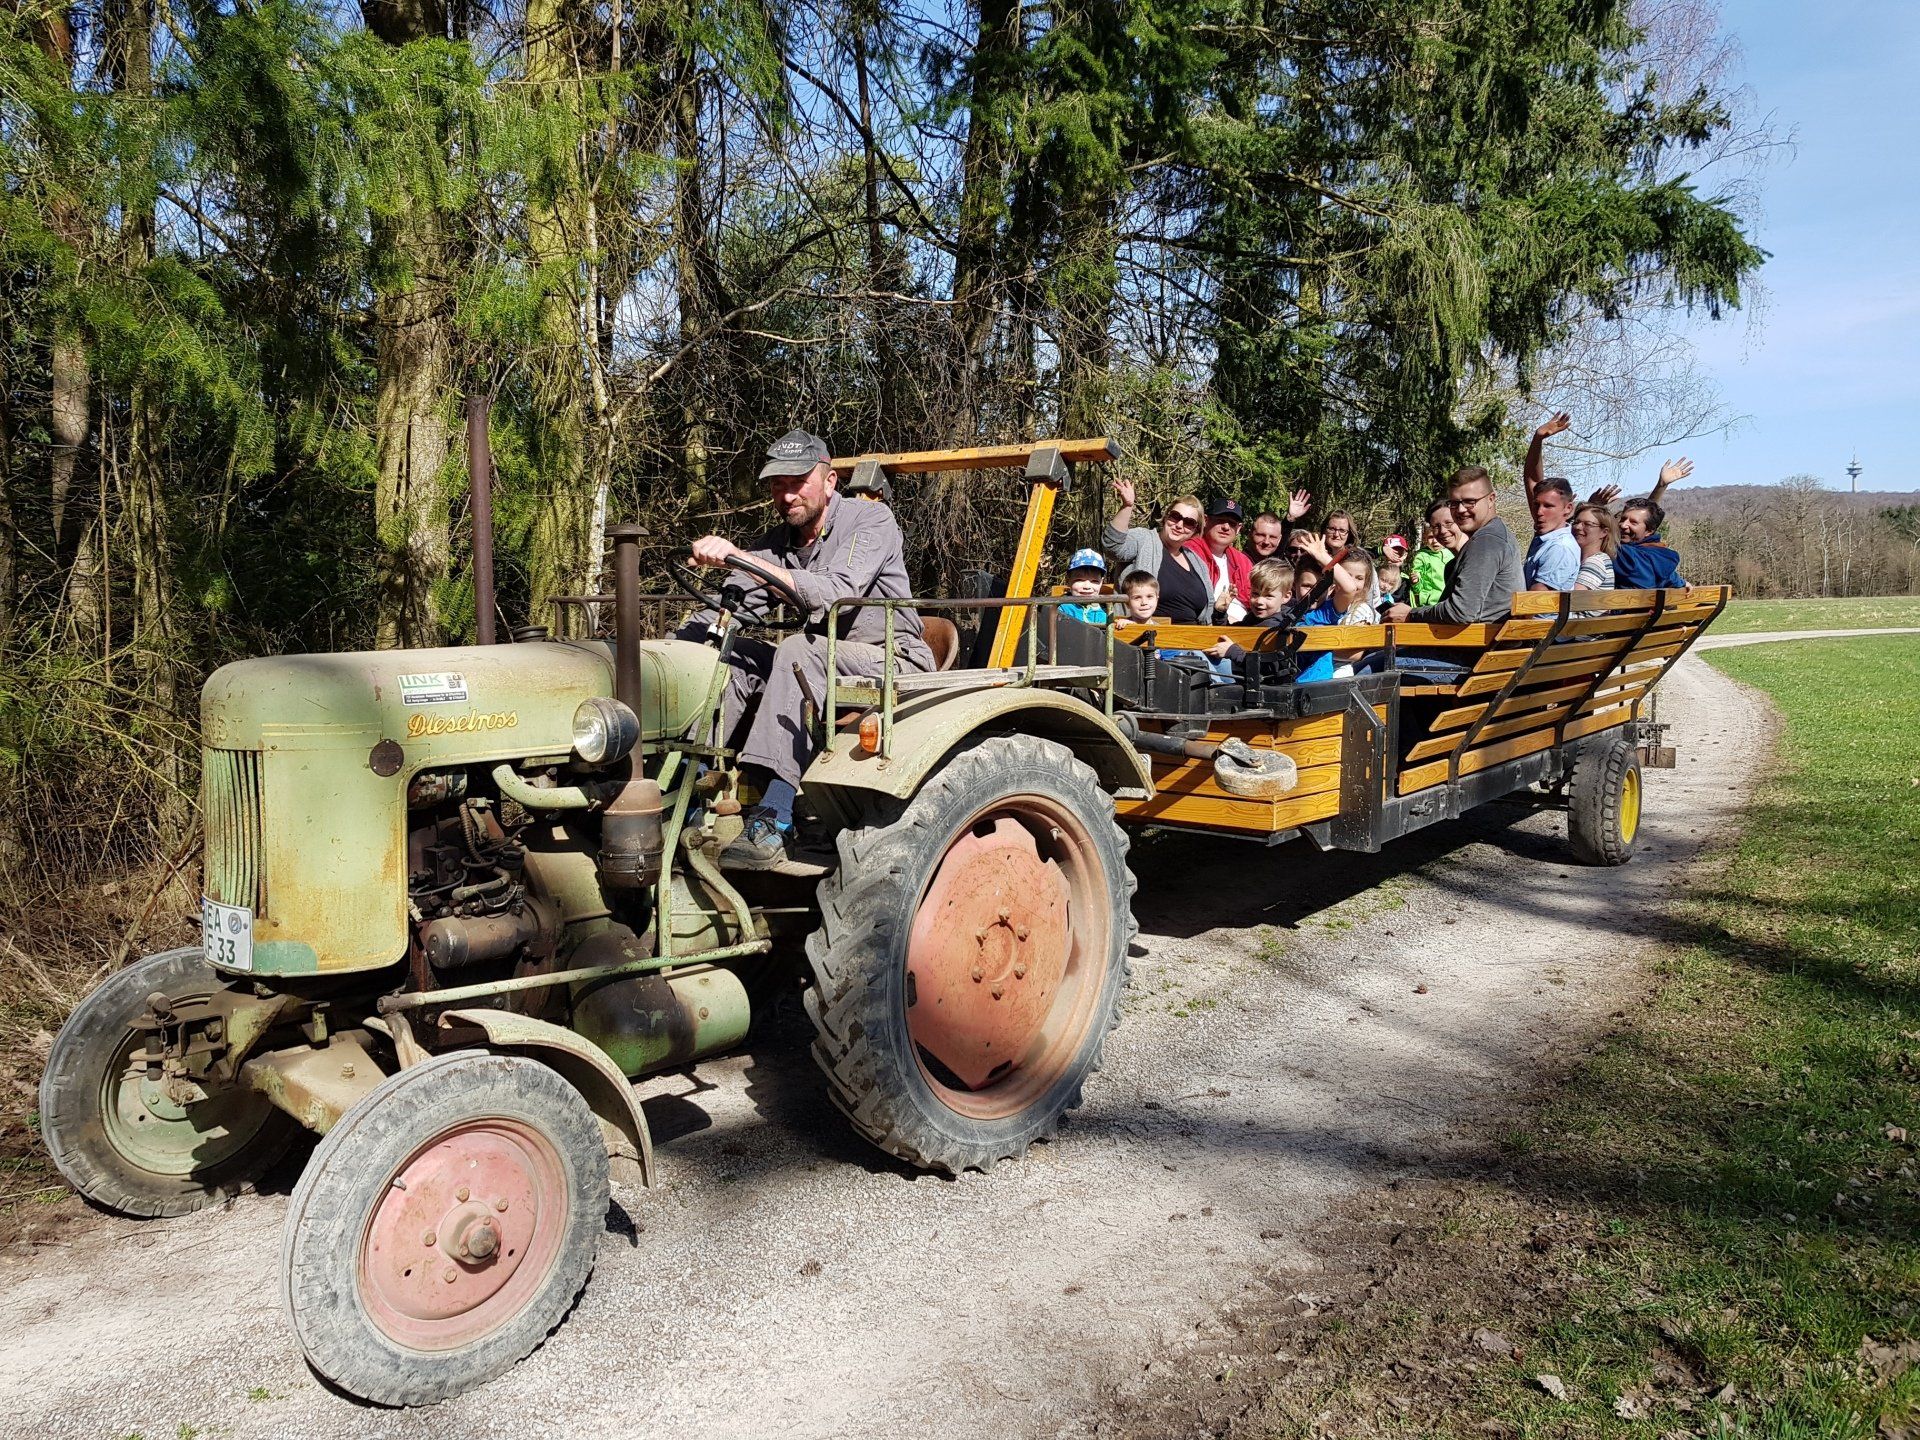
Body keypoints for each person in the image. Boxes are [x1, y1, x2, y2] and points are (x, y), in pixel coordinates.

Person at [683, 429, 934, 869]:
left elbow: (839, 590)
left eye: (798, 482)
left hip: (892, 657)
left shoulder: (870, 521)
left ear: (830, 481)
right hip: (825, 657)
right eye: (778, 485)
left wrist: (741, 557)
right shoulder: (778, 543)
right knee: (729, 654)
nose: (787, 494)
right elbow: (736, 601)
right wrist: (691, 638)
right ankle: (688, 789)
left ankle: (773, 817)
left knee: (799, 649)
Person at [1383, 467, 1523, 626]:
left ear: (1491, 499)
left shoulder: (1486, 541)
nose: (1461, 509)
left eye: (1470, 501)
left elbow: (1460, 612)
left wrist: (1410, 614)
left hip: (1474, 646)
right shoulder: (1495, 535)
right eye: (1455, 503)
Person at [1104, 478, 1214, 622]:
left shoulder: (1196, 561)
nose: (1179, 525)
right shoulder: (1144, 539)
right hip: (1146, 636)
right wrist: (1127, 506)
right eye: (1175, 517)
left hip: (1192, 638)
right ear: (1166, 516)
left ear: (1195, 530)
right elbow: (1112, 547)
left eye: (1189, 522)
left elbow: (1207, 611)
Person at [1188, 498, 1252, 623]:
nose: (1226, 527)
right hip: (1207, 625)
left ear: (1238, 529)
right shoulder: (1189, 552)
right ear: (1206, 520)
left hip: (1244, 627)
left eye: (1232, 523)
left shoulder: (1243, 561)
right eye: (1220, 521)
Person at [1524, 477, 1581, 591]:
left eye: (1548, 506)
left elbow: (1536, 600)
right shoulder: (1546, 541)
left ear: (1568, 508)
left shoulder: (1560, 548)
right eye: (1536, 504)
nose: (1539, 512)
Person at [1409, 499, 1460, 607]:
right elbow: (1417, 586)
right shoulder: (1422, 556)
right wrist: (1416, 582)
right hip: (1429, 603)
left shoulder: (1451, 553)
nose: (1435, 541)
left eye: (1436, 538)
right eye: (1430, 538)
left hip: (1448, 601)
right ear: (1425, 539)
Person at [1571, 503, 1618, 592]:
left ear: (1604, 532)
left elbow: (1573, 597)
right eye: (1576, 522)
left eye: (1587, 524)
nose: (1577, 527)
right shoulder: (1580, 560)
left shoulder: (1596, 562)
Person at [1059, 548, 1111, 624]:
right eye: (1079, 580)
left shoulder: (1107, 610)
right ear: (1068, 580)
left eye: (1094, 581)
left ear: (1101, 583)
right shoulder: (1062, 609)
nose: (1087, 586)